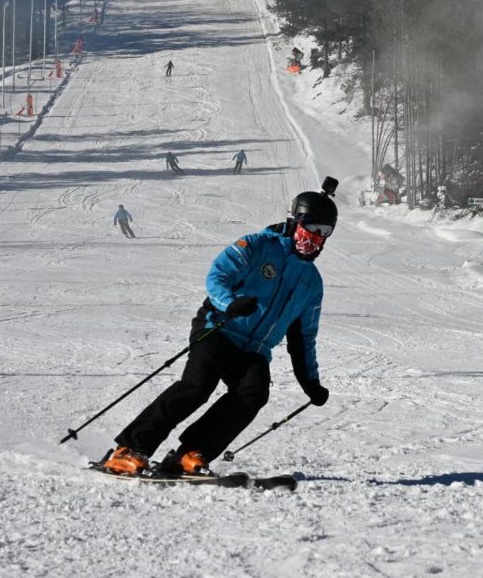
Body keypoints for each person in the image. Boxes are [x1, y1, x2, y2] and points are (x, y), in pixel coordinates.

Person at [100, 178, 340, 476]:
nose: (316, 238)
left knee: (252, 393)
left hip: (254, 349)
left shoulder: (312, 283)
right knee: (196, 388)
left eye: (324, 232)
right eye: (312, 228)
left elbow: (303, 337)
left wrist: (310, 383)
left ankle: (190, 453)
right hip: (219, 326)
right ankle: (130, 447)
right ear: (296, 221)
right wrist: (230, 303)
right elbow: (218, 276)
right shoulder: (257, 245)